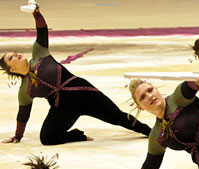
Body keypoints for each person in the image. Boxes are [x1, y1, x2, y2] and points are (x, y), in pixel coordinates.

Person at [0, 3, 151, 145]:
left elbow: (42, 31)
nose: (16, 54)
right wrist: (18, 136)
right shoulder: (25, 90)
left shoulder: (39, 54)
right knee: (47, 138)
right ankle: (77, 135)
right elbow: (23, 115)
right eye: (11, 57)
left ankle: (150, 132)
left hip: (85, 94)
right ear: (11, 69)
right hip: (63, 108)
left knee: (119, 118)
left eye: (15, 52)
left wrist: (36, 14)